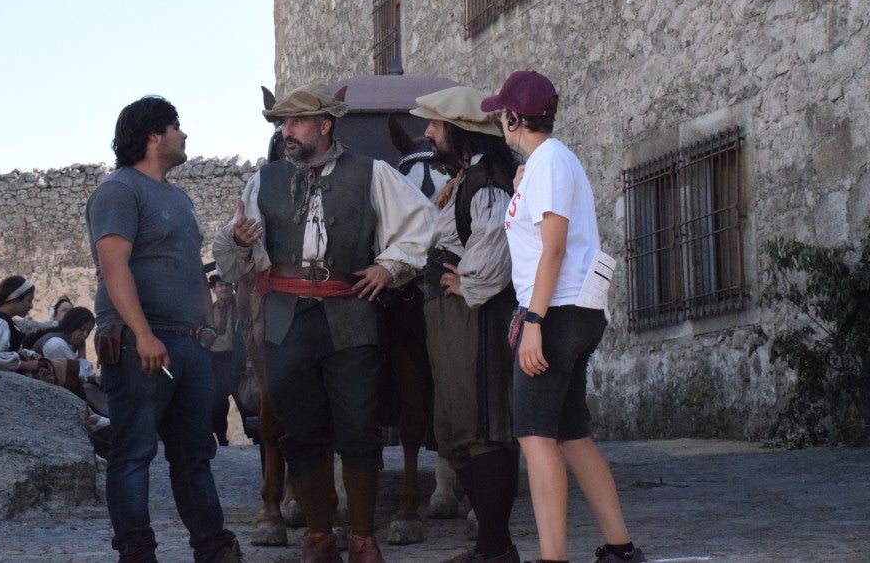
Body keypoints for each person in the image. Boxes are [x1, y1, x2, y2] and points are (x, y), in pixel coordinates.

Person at [213, 83, 435, 563]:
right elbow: (235, 258)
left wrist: (389, 265)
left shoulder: (371, 174)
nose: (285, 133)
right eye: (281, 124)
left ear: (324, 126)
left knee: (358, 427)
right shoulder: (263, 181)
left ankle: (361, 536)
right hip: (285, 320)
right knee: (301, 429)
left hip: (350, 312)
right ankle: (318, 535)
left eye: (295, 123)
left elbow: (422, 221)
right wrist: (238, 239)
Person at [481, 71, 645, 563]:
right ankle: (620, 549)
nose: (498, 122)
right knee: (573, 436)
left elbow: (552, 250)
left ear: (515, 117)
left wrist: (533, 320)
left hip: (554, 312)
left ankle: (553, 557)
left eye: (501, 115)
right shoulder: (549, 163)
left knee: (535, 437)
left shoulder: (549, 160)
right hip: (575, 311)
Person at [85, 95, 241, 563]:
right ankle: (136, 553)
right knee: (133, 453)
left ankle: (212, 549)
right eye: (177, 126)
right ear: (154, 135)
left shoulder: (178, 197)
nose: (185, 134)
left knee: (195, 456)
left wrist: (208, 328)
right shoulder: (118, 190)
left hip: (189, 343)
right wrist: (143, 333)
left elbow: (191, 266)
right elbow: (114, 266)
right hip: (140, 344)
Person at [408, 86, 520, 563]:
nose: (428, 133)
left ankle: (496, 547)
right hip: (452, 315)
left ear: (460, 131)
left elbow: (496, 238)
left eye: (435, 125)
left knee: (483, 426)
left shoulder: (488, 179)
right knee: (459, 427)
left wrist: (469, 283)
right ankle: (490, 545)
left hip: (475, 317)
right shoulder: (466, 177)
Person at [0, 275, 85, 397]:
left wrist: (29, 354)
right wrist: (25, 365)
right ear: (15, 299)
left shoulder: (4, 321)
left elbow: (10, 349)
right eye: (29, 300)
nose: (31, 306)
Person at [204, 274, 248, 445]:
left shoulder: (240, 309)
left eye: (227, 286)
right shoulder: (208, 311)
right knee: (217, 402)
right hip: (215, 361)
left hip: (236, 360)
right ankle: (221, 438)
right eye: (220, 285)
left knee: (243, 400)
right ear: (214, 289)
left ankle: (255, 435)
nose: (224, 289)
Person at [30, 306, 98, 384]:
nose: (85, 335)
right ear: (71, 325)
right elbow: (80, 376)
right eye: (82, 329)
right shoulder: (56, 344)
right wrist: (82, 352)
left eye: (88, 331)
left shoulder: (67, 342)